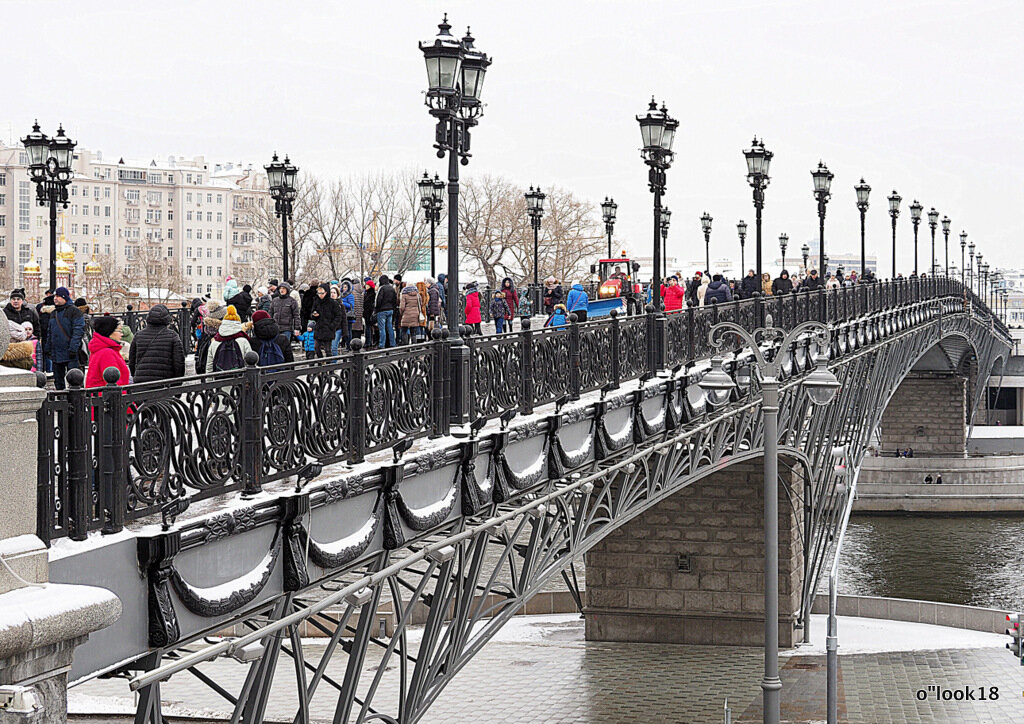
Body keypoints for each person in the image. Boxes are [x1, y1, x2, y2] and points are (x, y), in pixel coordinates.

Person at [128, 304, 186, 384]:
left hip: (141, 385)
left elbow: (132, 361)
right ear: (167, 319)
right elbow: (179, 363)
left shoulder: (138, 335)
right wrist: (177, 383)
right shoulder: (172, 336)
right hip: (165, 384)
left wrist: (136, 376)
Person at [45, 287, 86, 390]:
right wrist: (48, 348)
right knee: (58, 381)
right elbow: (50, 332)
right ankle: (61, 401)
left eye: (58, 296)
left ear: (64, 297)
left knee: (74, 379)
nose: (55, 298)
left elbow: (78, 331)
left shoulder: (74, 311)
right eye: (55, 296)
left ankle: (75, 403)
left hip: (70, 352)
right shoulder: (54, 313)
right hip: (56, 352)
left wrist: (73, 348)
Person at [84, 315, 130, 389]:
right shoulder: (107, 353)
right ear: (109, 332)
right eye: (119, 331)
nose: (122, 334)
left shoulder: (102, 348)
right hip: (106, 398)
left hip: (99, 396)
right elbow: (114, 382)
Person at [205, 305, 253, 373]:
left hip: (219, 380)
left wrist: (210, 382)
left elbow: (209, 367)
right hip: (239, 380)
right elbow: (250, 362)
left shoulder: (215, 342)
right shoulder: (243, 341)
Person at [311, 283, 341, 357]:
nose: (320, 295)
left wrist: (332, 325)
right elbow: (312, 313)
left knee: (328, 350)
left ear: (326, 293)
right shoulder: (316, 301)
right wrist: (314, 315)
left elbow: (338, 316)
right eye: (319, 293)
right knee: (316, 347)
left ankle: (329, 366)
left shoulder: (333, 303)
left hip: (328, 329)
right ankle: (321, 362)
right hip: (319, 328)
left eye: (322, 293)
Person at [374, 275, 398, 348]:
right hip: (390, 310)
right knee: (390, 327)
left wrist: (376, 309)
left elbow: (378, 300)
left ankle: (382, 344)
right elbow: (395, 300)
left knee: (382, 328)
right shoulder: (392, 288)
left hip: (382, 310)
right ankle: (392, 343)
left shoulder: (382, 288)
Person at [398, 280, 424, 344]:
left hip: (406, 314)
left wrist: (401, 313)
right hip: (415, 314)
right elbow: (420, 304)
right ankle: (414, 347)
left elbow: (402, 307)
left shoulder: (404, 294)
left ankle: (406, 346)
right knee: (413, 332)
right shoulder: (417, 295)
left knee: (404, 331)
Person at [362, 277, 378, 349]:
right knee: (368, 328)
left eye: (367, 285)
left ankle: (368, 342)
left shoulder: (371, 294)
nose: (365, 286)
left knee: (368, 328)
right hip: (367, 313)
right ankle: (369, 341)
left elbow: (369, 304)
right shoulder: (368, 293)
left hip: (369, 313)